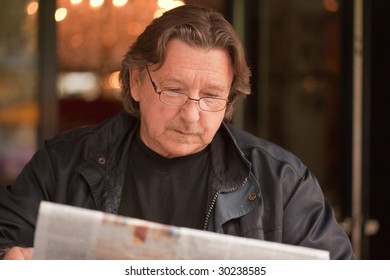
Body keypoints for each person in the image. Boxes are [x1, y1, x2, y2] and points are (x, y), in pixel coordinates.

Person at [0, 5, 354, 260]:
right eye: (173, 90)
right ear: (136, 81)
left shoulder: (281, 181)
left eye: (212, 96)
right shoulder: (62, 163)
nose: (191, 114)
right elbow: (7, 241)